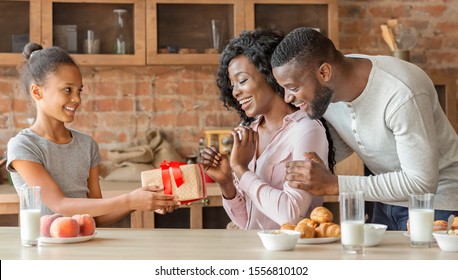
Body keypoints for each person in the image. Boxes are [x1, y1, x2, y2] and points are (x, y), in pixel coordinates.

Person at [270, 27, 458, 230]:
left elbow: (421, 183)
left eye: (292, 88)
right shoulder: (328, 91)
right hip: (386, 201)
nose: (287, 97)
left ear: (324, 72)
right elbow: (351, 139)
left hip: (437, 205)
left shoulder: (401, 93)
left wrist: (335, 184)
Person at [7, 43, 179, 226]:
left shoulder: (86, 145)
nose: (77, 99)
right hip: (45, 250)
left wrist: (142, 201)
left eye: (79, 90)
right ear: (37, 91)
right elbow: (60, 205)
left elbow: (97, 216)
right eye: (68, 89)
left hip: (85, 245)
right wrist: (129, 199)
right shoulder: (23, 146)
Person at [200, 29, 335, 230]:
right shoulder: (249, 131)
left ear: (270, 75)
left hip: (294, 255)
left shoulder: (306, 130)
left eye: (242, 80)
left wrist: (241, 169)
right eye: (232, 85)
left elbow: (290, 215)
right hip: (255, 253)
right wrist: (227, 182)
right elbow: (247, 222)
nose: (236, 92)